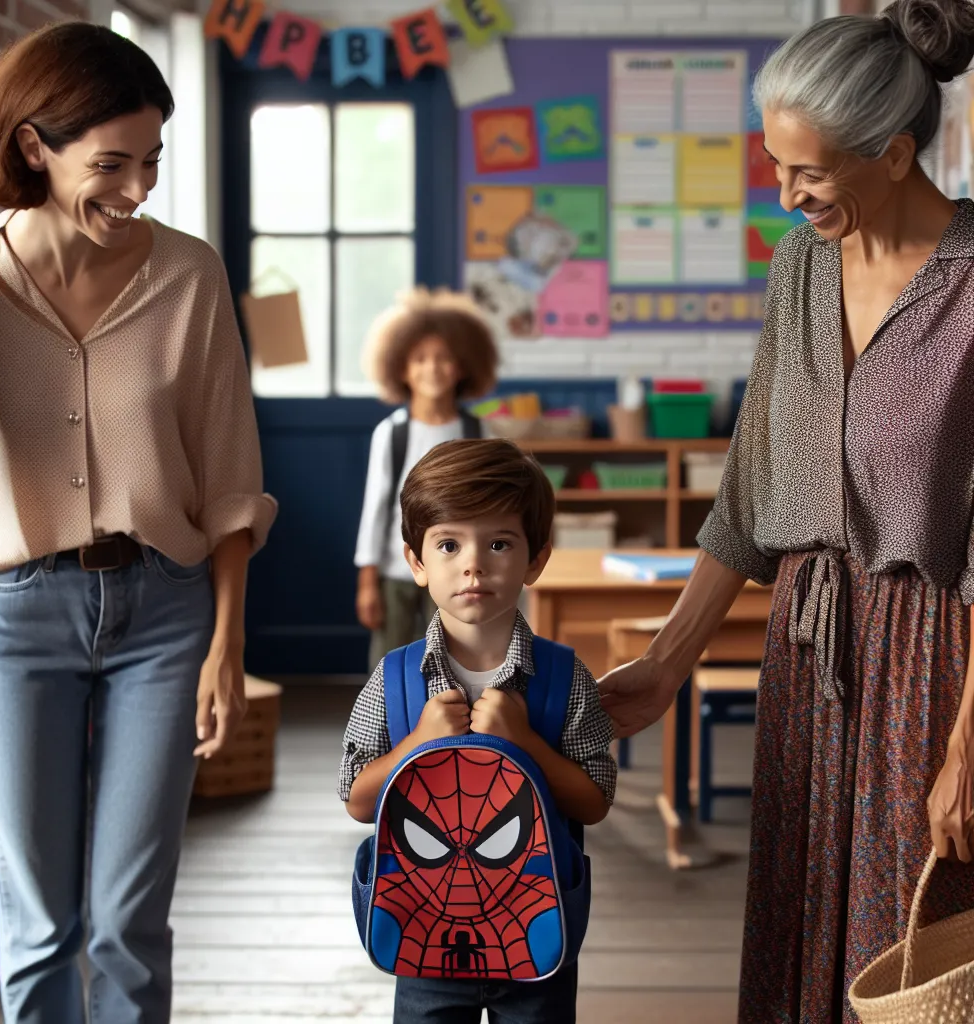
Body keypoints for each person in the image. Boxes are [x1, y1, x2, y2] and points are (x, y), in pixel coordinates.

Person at [598, 2, 974, 1021]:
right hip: (808, 656)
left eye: (807, 171)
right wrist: (666, 663)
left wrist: (968, 745)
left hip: (933, 664)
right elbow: (749, 488)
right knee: (794, 925)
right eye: (774, 163)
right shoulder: (799, 267)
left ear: (893, 153)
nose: (783, 193)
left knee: (908, 953)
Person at [0, 23, 277, 1023]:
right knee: (37, 920)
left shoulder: (189, 275)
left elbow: (229, 476)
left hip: (164, 613)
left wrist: (227, 643)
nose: (137, 188)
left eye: (152, 161)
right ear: (33, 147)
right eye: (111, 164)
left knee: (127, 921)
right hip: (16, 616)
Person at [340, 438, 616, 1023]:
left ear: (536, 560)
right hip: (423, 937)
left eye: (499, 543)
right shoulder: (394, 680)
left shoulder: (566, 678)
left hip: (538, 932)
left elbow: (594, 802)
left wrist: (525, 745)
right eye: (449, 544)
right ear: (416, 563)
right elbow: (358, 801)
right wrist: (417, 744)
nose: (473, 564)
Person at [354, 288, 498, 670]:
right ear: (400, 368)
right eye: (419, 359)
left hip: (458, 573)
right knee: (390, 666)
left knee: (455, 663)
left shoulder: (478, 431)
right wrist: (367, 582)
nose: (432, 368)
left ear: (463, 366)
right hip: (396, 572)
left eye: (444, 358)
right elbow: (375, 510)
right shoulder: (392, 434)